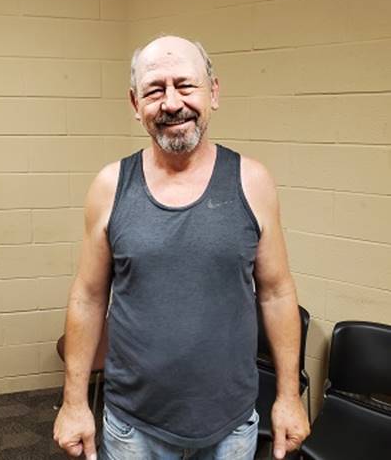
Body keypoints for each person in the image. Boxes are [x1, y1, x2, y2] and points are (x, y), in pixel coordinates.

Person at [53, 35, 310, 460]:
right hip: (133, 425)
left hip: (230, 424)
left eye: (185, 85)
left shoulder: (253, 182)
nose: (171, 103)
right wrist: (74, 403)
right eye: (155, 90)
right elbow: (88, 296)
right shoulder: (110, 186)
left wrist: (288, 397)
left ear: (214, 93)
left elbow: (277, 293)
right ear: (135, 104)